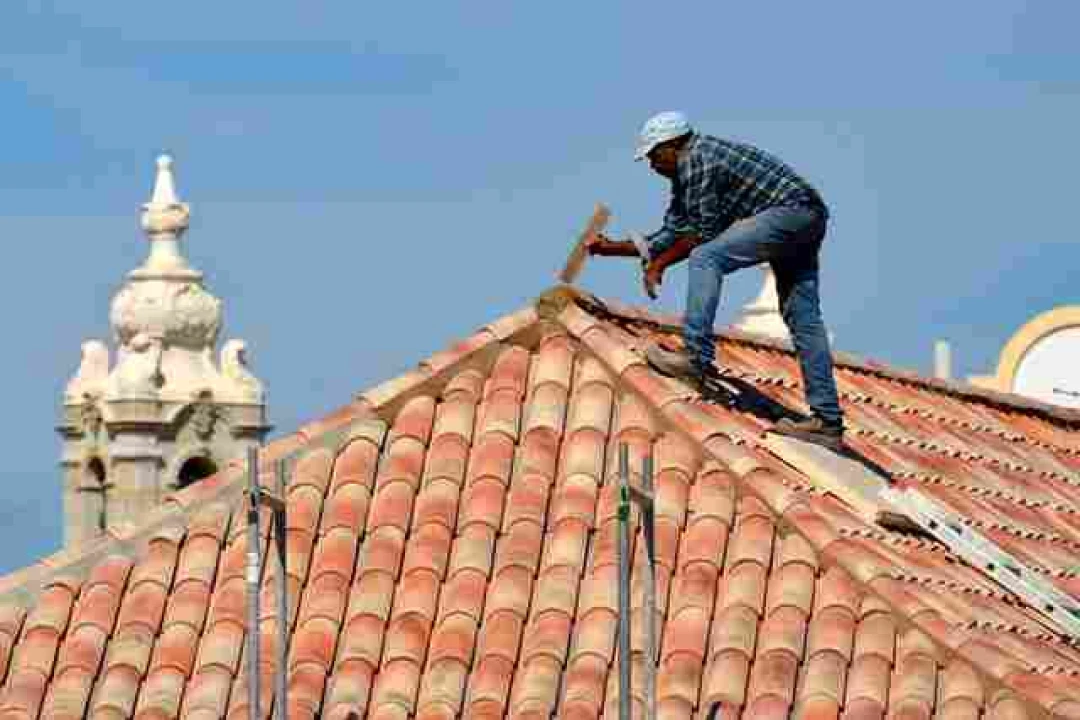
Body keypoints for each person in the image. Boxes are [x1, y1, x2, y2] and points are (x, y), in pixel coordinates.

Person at [586, 111, 845, 448]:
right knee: (803, 317)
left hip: (790, 213)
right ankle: (827, 423)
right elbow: (672, 232)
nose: (651, 165)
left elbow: (702, 235)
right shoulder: (687, 174)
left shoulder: (698, 159)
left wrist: (659, 266)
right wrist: (611, 249)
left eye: (653, 155)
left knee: (706, 257)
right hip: (808, 218)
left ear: (672, 145)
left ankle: (696, 358)